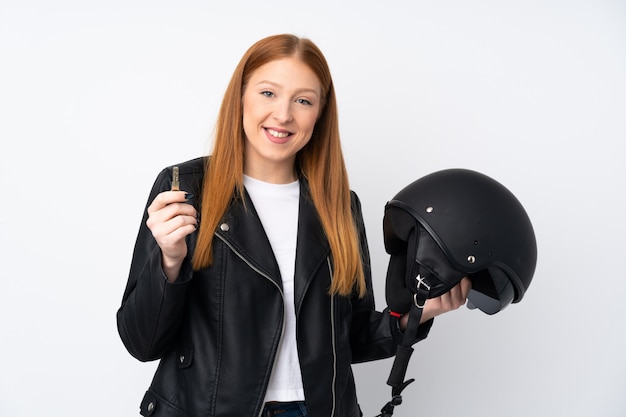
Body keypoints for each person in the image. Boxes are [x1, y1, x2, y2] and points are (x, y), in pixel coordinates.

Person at [117, 33, 471, 417]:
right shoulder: (186, 188)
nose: (283, 114)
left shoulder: (340, 206)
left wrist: (422, 311)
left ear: (319, 113)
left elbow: (346, 338)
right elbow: (142, 342)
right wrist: (169, 261)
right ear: (240, 97)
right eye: (268, 93)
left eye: (303, 100)